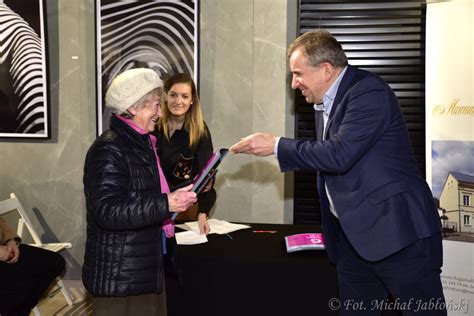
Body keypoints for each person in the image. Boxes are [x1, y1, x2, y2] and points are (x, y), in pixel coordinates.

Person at [230, 30, 445, 316]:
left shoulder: (369, 92)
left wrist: (276, 145)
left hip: (398, 235)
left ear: (326, 70)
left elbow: (339, 155)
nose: (294, 83)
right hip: (354, 241)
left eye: (298, 74)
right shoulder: (324, 103)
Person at [82, 68, 197, 316]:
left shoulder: (141, 142)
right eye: (156, 105)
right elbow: (108, 211)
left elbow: (141, 193)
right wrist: (166, 203)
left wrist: (176, 195)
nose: (160, 112)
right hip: (121, 276)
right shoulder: (109, 148)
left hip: (142, 267)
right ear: (133, 108)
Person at [155, 73, 216, 235]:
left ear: (192, 100)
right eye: (173, 95)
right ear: (166, 96)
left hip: (185, 210)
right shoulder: (154, 128)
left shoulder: (200, 131)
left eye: (184, 96)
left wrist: (202, 213)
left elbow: (207, 175)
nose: (178, 101)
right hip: (154, 207)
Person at [0, 217, 65, 316]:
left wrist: (10, 240)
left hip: (4, 247)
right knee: (21, 282)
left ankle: (21, 311)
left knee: (55, 262)